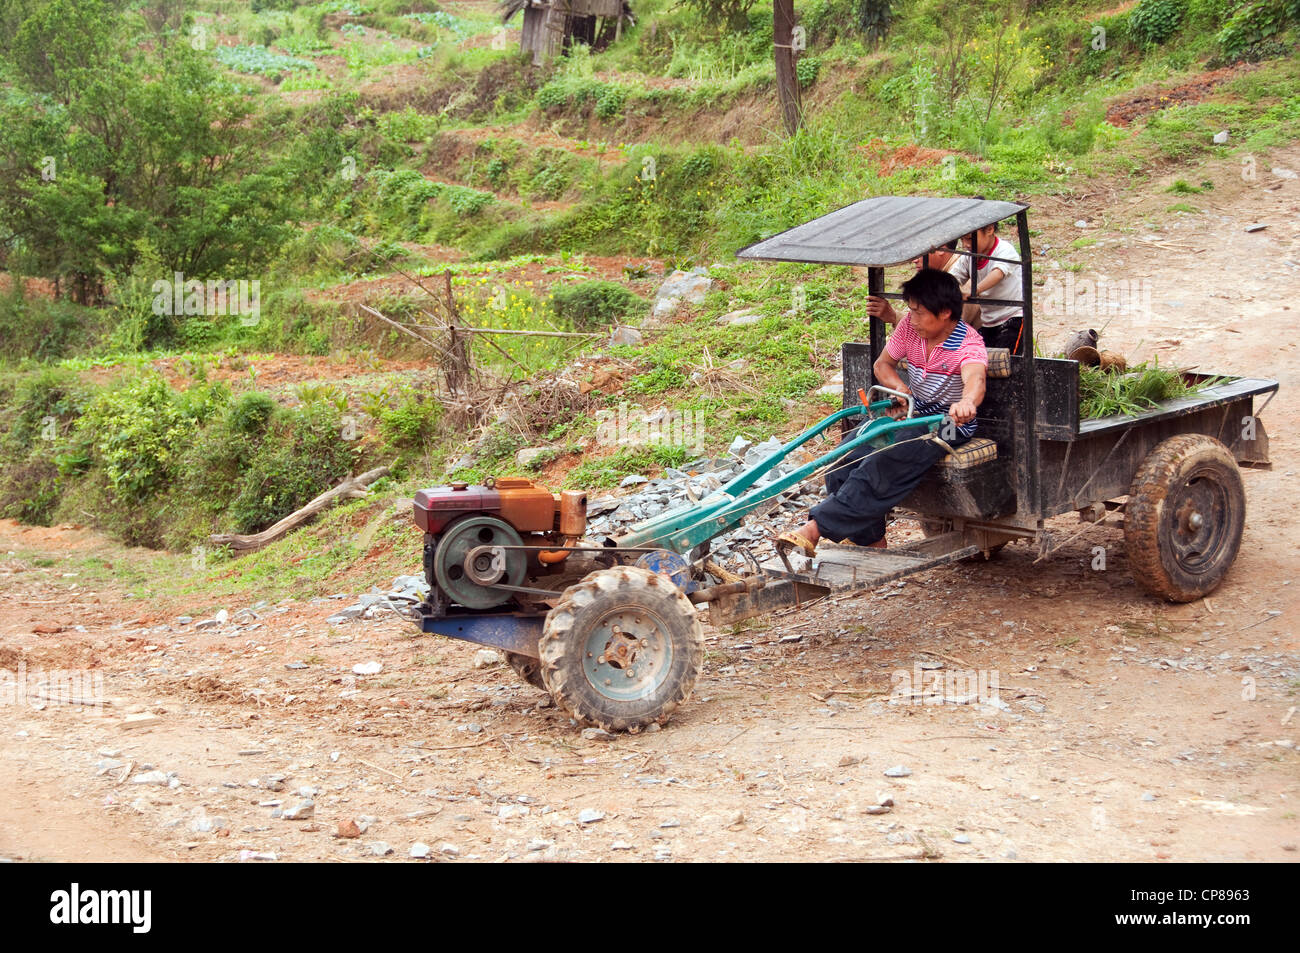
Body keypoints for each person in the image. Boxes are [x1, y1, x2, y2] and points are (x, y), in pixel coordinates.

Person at [776, 269, 987, 555]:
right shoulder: (910, 330)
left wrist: (967, 403)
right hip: (913, 411)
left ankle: (814, 528)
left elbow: (976, 380)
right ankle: (872, 541)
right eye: (910, 311)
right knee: (845, 456)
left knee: (887, 459)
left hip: (949, 423)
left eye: (919, 312)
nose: (910, 318)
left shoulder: (968, 343)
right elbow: (882, 365)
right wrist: (901, 388)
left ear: (946, 312)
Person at [948, 212, 1023, 353]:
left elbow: (998, 273)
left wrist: (973, 290)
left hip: (1012, 319)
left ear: (989, 229)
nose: (966, 245)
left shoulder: (1005, 250)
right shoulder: (969, 258)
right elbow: (953, 277)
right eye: (963, 240)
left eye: (970, 239)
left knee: (1007, 364)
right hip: (988, 323)